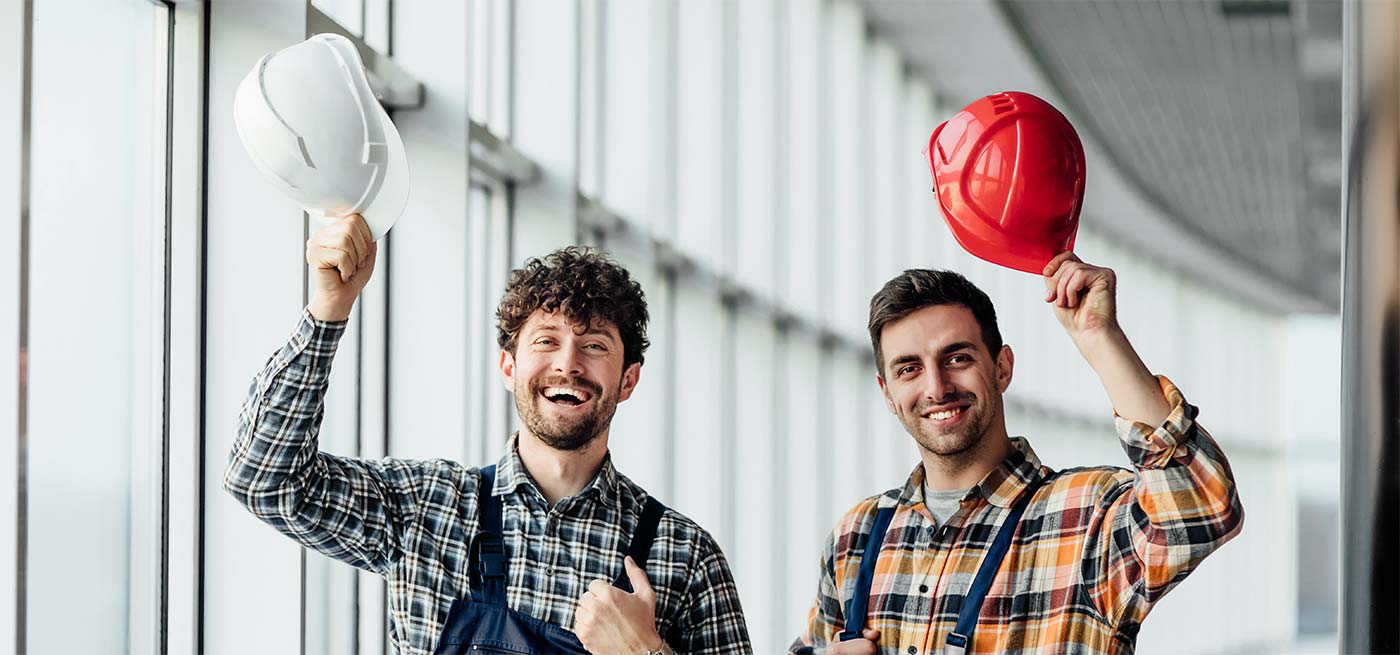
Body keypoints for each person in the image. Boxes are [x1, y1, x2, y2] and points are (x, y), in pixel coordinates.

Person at [226, 214, 752, 655]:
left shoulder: (684, 555)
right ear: (508, 366)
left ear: (628, 380)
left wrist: (647, 653)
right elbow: (265, 482)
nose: (567, 364)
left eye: (594, 345)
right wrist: (328, 310)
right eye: (545, 341)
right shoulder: (427, 509)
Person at [791, 252, 1243, 655]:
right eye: (909, 369)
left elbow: (1201, 508)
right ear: (888, 393)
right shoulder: (857, 535)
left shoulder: (1084, 514)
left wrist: (1099, 337)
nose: (936, 387)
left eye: (957, 358)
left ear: (1002, 367)